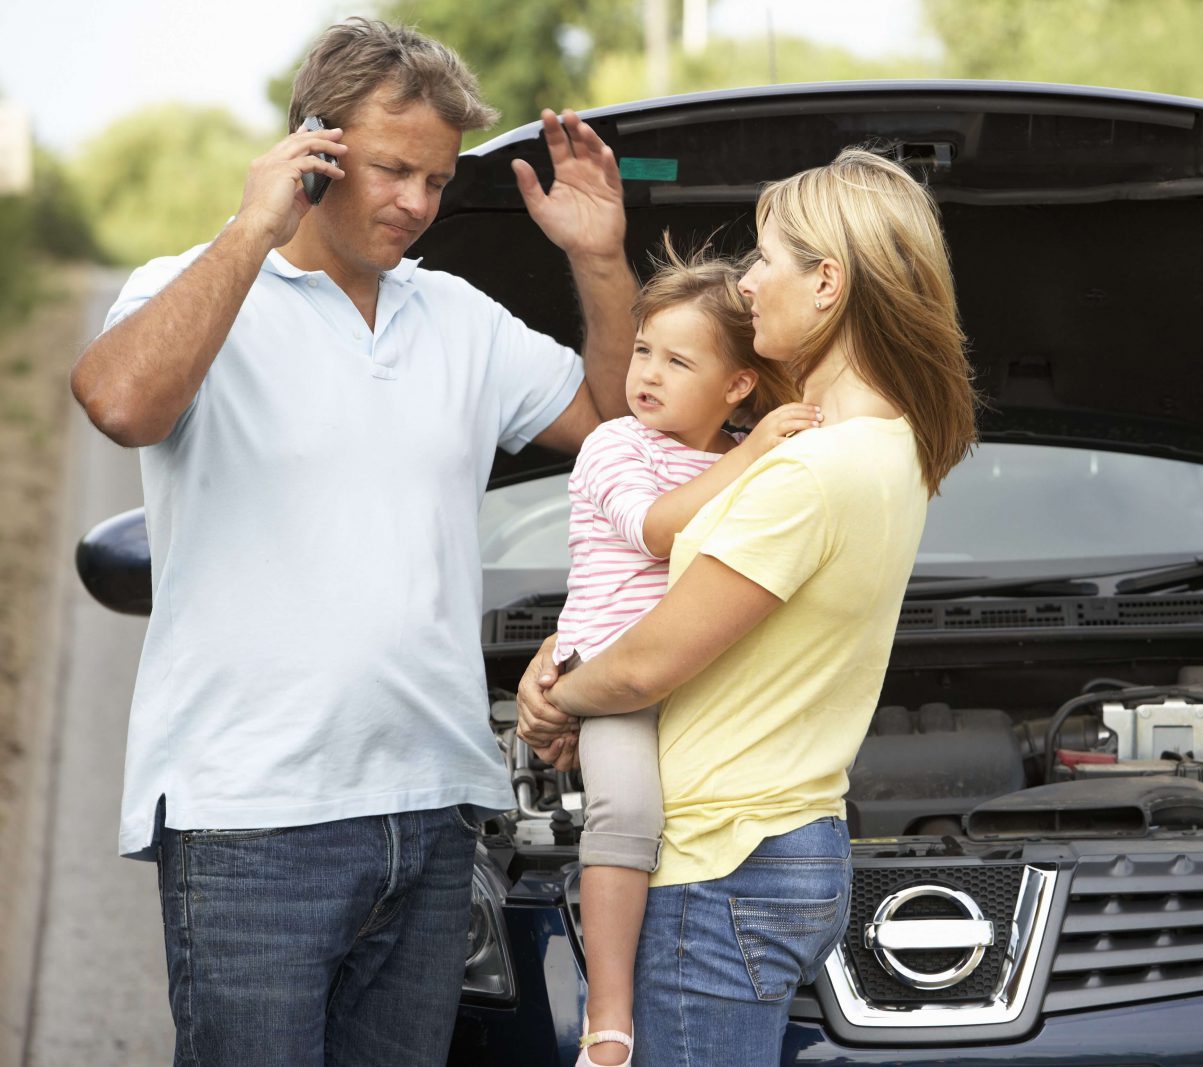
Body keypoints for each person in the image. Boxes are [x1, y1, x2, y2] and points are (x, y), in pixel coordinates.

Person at [69, 18, 635, 1066]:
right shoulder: (189, 286)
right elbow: (118, 400)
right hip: (249, 816)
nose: (417, 205)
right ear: (313, 153)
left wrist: (598, 259)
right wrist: (250, 229)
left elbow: (618, 431)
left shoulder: (460, 318)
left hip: (433, 808)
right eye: (391, 171)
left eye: (435, 180)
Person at [517, 147, 979, 1067]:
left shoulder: (810, 469)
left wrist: (556, 697)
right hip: (788, 840)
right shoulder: (888, 446)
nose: (749, 281)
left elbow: (651, 662)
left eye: (767, 259)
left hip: (719, 859)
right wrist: (571, 647)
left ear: (828, 283)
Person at [554, 244, 821, 1067]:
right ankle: (610, 1016)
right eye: (643, 351)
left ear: (738, 383)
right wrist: (752, 453)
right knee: (627, 815)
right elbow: (653, 530)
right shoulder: (614, 446)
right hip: (616, 681)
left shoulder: (744, 456)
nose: (649, 374)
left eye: (678, 360)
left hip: (707, 689)